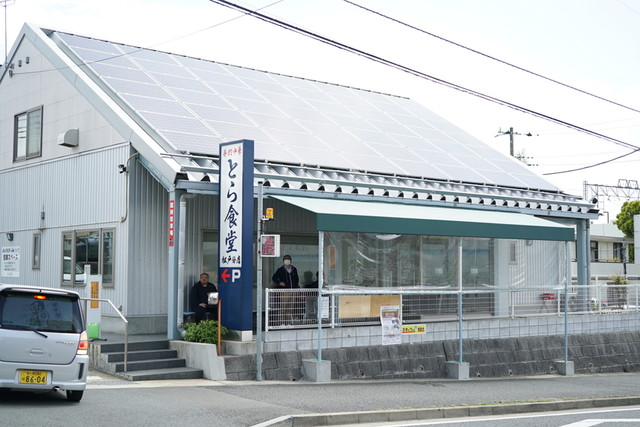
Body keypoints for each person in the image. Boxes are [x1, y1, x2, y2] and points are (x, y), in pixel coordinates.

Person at [272, 255, 299, 323]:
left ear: (291, 260)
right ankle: (281, 322)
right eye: (285, 259)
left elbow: (297, 279)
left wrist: (295, 287)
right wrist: (279, 282)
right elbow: (274, 278)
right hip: (284, 291)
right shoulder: (280, 270)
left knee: (290, 307)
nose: (287, 260)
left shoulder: (294, 269)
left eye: (288, 259)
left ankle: (288, 322)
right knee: (282, 307)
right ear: (283, 261)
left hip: (293, 291)